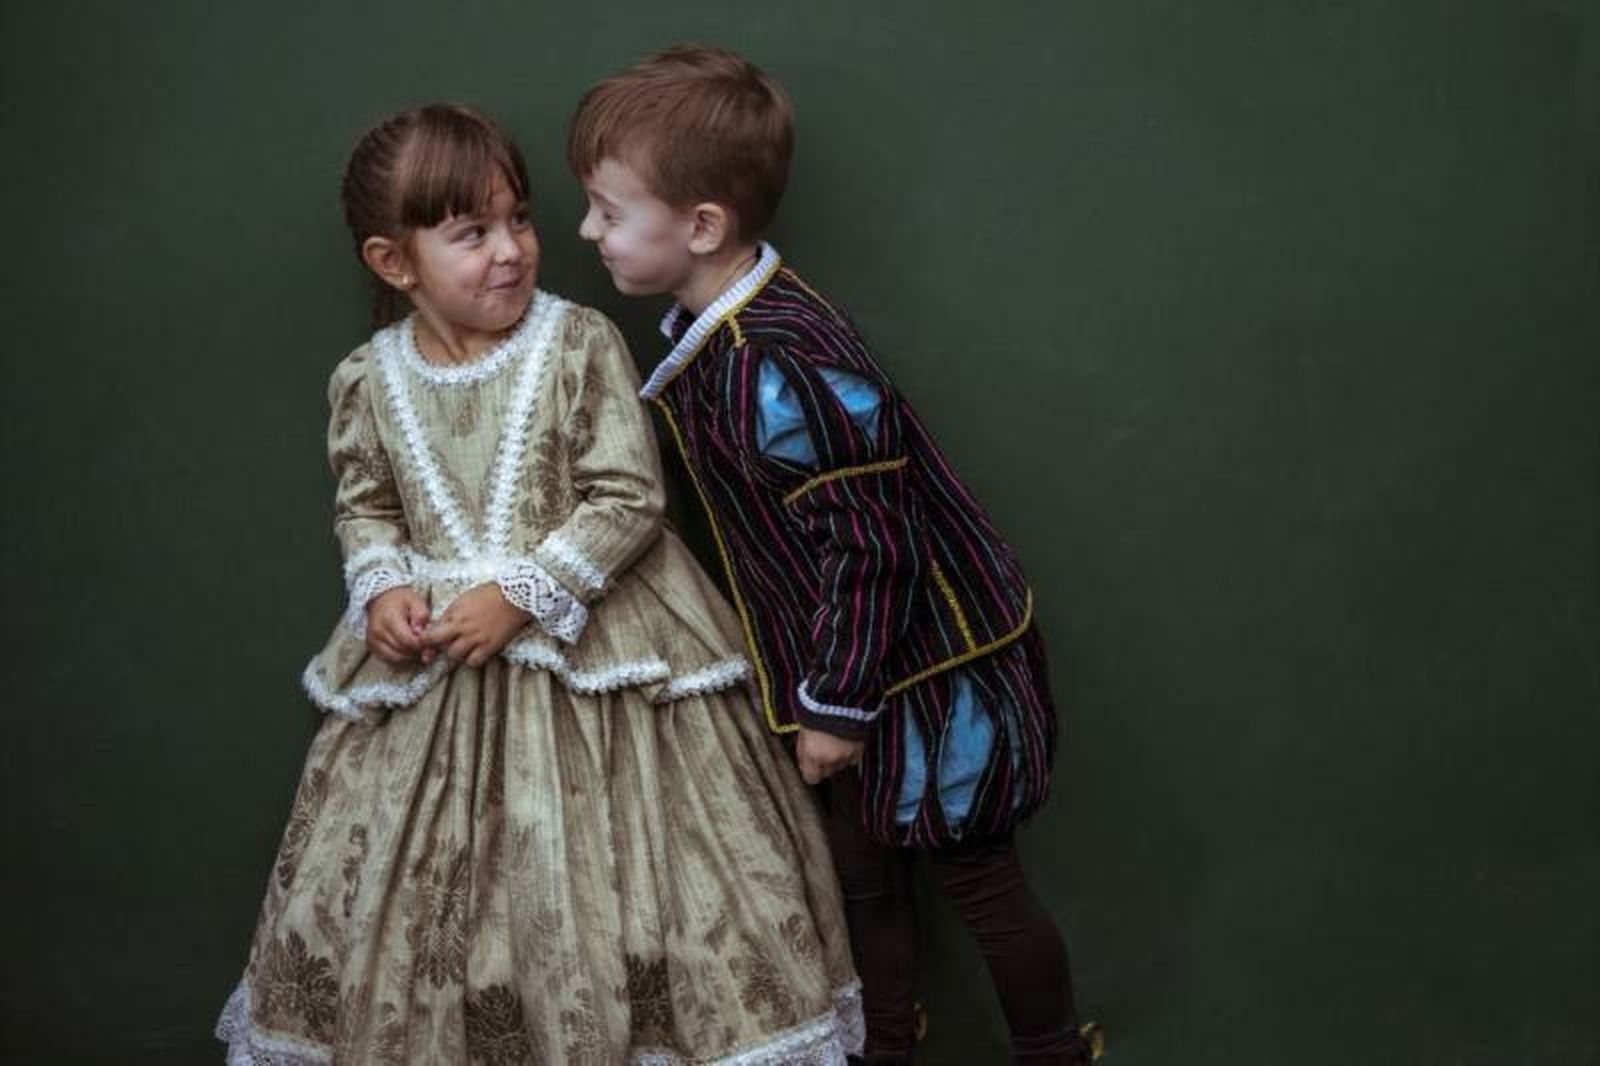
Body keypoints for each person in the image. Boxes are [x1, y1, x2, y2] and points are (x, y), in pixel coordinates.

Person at [216, 102, 861, 1065]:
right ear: (394, 262)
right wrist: (383, 585)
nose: (512, 249)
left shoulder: (577, 342)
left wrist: (521, 594)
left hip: (603, 656)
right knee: (444, 898)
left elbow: (628, 496)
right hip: (433, 678)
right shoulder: (367, 380)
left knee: (635, 882)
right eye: (472, 233)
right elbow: (366, 504)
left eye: (518, 218)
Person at [568, 48, 1099, 1065]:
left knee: (981, 885)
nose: (588, 231)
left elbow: (873, 544)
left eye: (607, 210)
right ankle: (883, 1046)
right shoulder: (722, 342)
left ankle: (1052, 1051)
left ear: (701, 227)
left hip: (926, 677)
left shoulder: (776, 363)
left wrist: (835, 707)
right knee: (860, 879)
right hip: (842, 675)